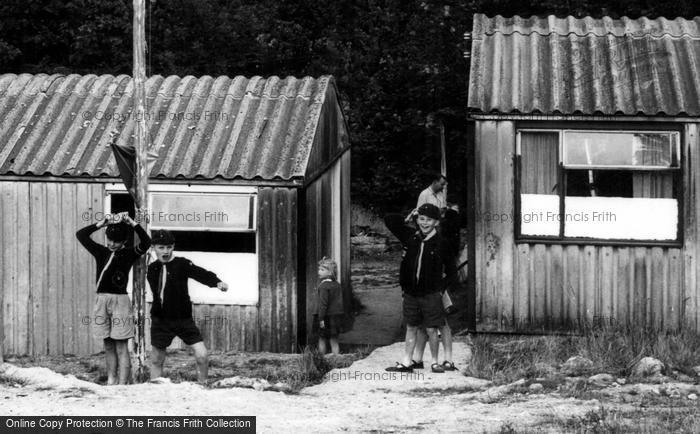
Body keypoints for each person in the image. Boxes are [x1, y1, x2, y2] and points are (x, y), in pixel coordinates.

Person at [76, 212, 151, 385]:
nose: (112, 244)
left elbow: (146, 242)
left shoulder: (129, 254)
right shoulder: (100, 251)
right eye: (109, 239)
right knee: (108, 344)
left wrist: (132, 223)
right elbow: (81, 235)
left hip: (120, 302)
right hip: (101, 300)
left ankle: (122, 384)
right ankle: (111, 380)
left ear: (124, 241)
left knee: (121, 346)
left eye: (116, 241)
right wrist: (102, 223)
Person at [147, 230, 228, 383]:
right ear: (154, 248)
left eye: (169, 247)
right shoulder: (151, 268)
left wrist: (217, 282)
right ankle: (153, 389)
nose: (165, 251)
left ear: (173, 247)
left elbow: (200, 273)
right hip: (161, 320)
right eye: (161, 247)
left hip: (183, 319)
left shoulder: (182, 264)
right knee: (157, 359)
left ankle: (203, 385)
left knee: (202, 354)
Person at [385, 203, 457, 373]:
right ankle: (409, 361)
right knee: (412, 325)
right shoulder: (411, 237)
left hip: (432, 293)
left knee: (435, 326)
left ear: (436, 222)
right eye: (421, 219)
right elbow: (389, 220)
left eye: (429, 220)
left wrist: (440, 289)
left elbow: (452, 272)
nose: (424, 223)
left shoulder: (442, 243)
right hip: (411, 293)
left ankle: (443, 360)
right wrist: (409, 215)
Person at [315, 257, 344, 355]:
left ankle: (321, 359)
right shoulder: (337, 285)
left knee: (322, 338)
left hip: (325, 316)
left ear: (330, 272)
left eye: (322, 270)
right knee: (334, 339)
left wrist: (321, 319)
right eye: (319, 269)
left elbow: (323, 304)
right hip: (336, 316)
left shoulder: (323, 286)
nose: (319, 271)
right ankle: (336, 359)